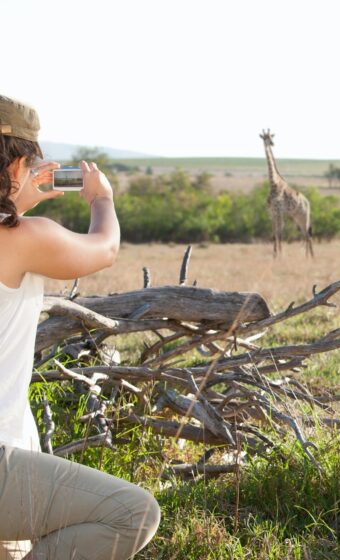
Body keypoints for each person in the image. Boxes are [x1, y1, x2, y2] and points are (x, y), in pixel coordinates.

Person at [0, 95, 160, 559]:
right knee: (133, 513)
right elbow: (103, 248)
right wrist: (102, 198)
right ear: (20, 165)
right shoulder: (23, 239)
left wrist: (16, 198)